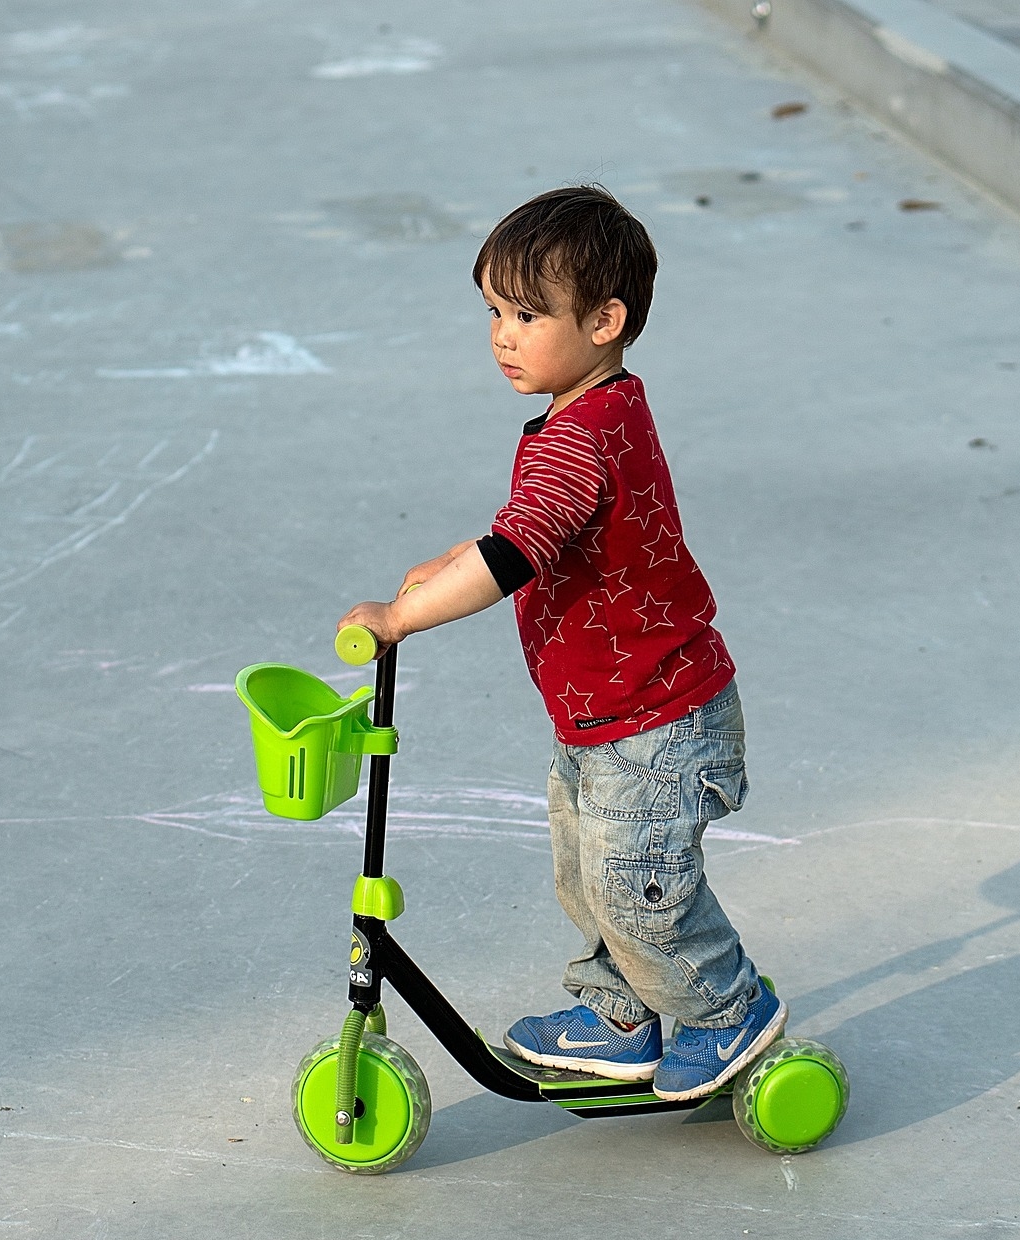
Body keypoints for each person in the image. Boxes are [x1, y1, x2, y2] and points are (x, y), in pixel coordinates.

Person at [335, 185, 785, 1101]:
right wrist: (452, 557)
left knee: (638, 890)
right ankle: (625, 1011)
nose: (503, 334)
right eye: (495, 312)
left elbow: (517, 553)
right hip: (605, 713)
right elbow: (531, 530)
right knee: (589, 878)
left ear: (606, 319)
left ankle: (725, 1009)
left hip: (656, 720)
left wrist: (402, 615)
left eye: (528, 314)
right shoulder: (594, 411)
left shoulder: (583, 437)